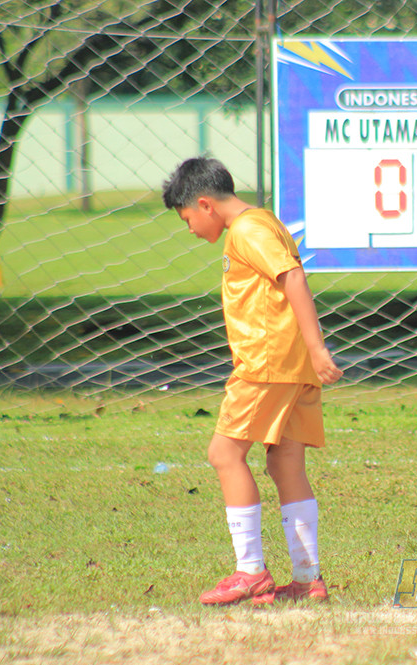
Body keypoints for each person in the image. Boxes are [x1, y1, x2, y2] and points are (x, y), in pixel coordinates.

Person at [161, 157, 343, 606]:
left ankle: (250, 571)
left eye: (187, 218)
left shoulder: (246, 230)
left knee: (224, 454)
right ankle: (307, 579)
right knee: (285, 464)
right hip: (291, 365)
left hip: (267, 364)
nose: (190, 229)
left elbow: (293, 276)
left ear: (205, 204)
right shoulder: (264, 221)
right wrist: (310, 353)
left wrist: (318, 347)